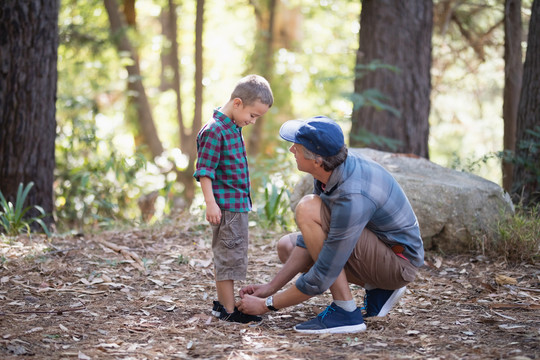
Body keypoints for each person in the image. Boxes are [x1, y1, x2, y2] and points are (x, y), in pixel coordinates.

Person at [237, 116, 424, 333]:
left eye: (296, 147)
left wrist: (267, 305)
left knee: (307, 208)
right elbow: (311, 243)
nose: (291, 150)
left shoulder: (351, 194)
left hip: (398, 264)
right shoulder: (331, 169)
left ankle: (345, 312)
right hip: (380, 251)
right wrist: (270, 288)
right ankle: (379, 289)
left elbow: (325, 272)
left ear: (316, 159)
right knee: (286, 247)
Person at [193, 74, 274, 323]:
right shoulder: (215, 131)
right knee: (227, 258)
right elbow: (204, 171)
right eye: (252, 115)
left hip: (237, 206)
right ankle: (228, 311)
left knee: (232, 255)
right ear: (237, 103)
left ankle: (224, 304)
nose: (252, 121)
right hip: (226, 208)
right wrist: (211, 203)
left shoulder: (232, 127)